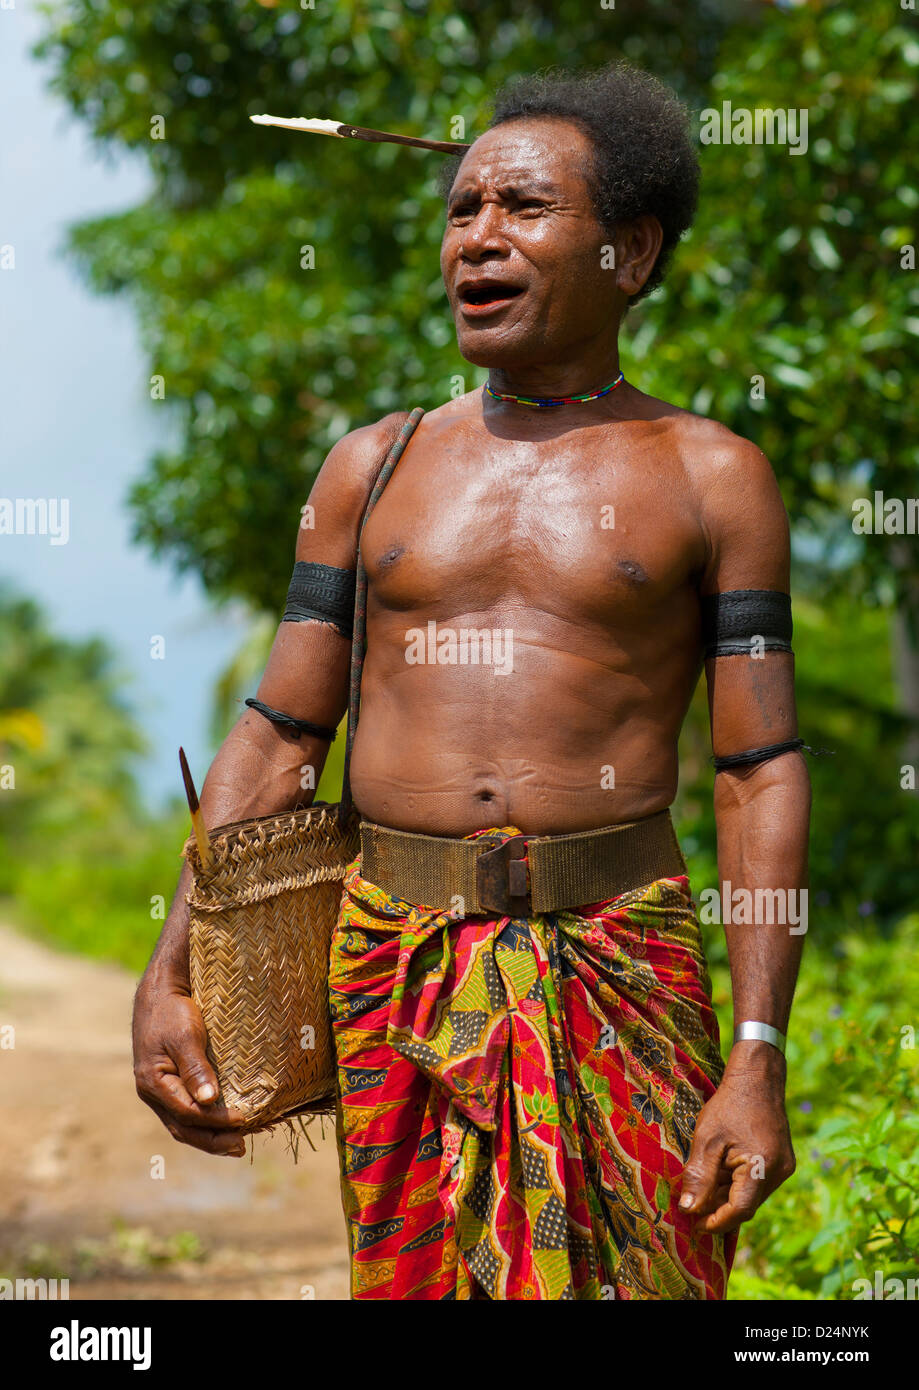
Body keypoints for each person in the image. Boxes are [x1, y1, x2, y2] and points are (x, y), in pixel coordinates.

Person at [133, 62, 809, 1300]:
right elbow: (280, 731)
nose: (477, 239)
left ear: (632, 251)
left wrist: (756, 1055)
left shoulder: (714, 477)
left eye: (523, 208)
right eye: (460, 210)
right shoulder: (373, 467)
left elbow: (757, 770)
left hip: (620, 963)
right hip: (397, 965)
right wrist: (175, 963)